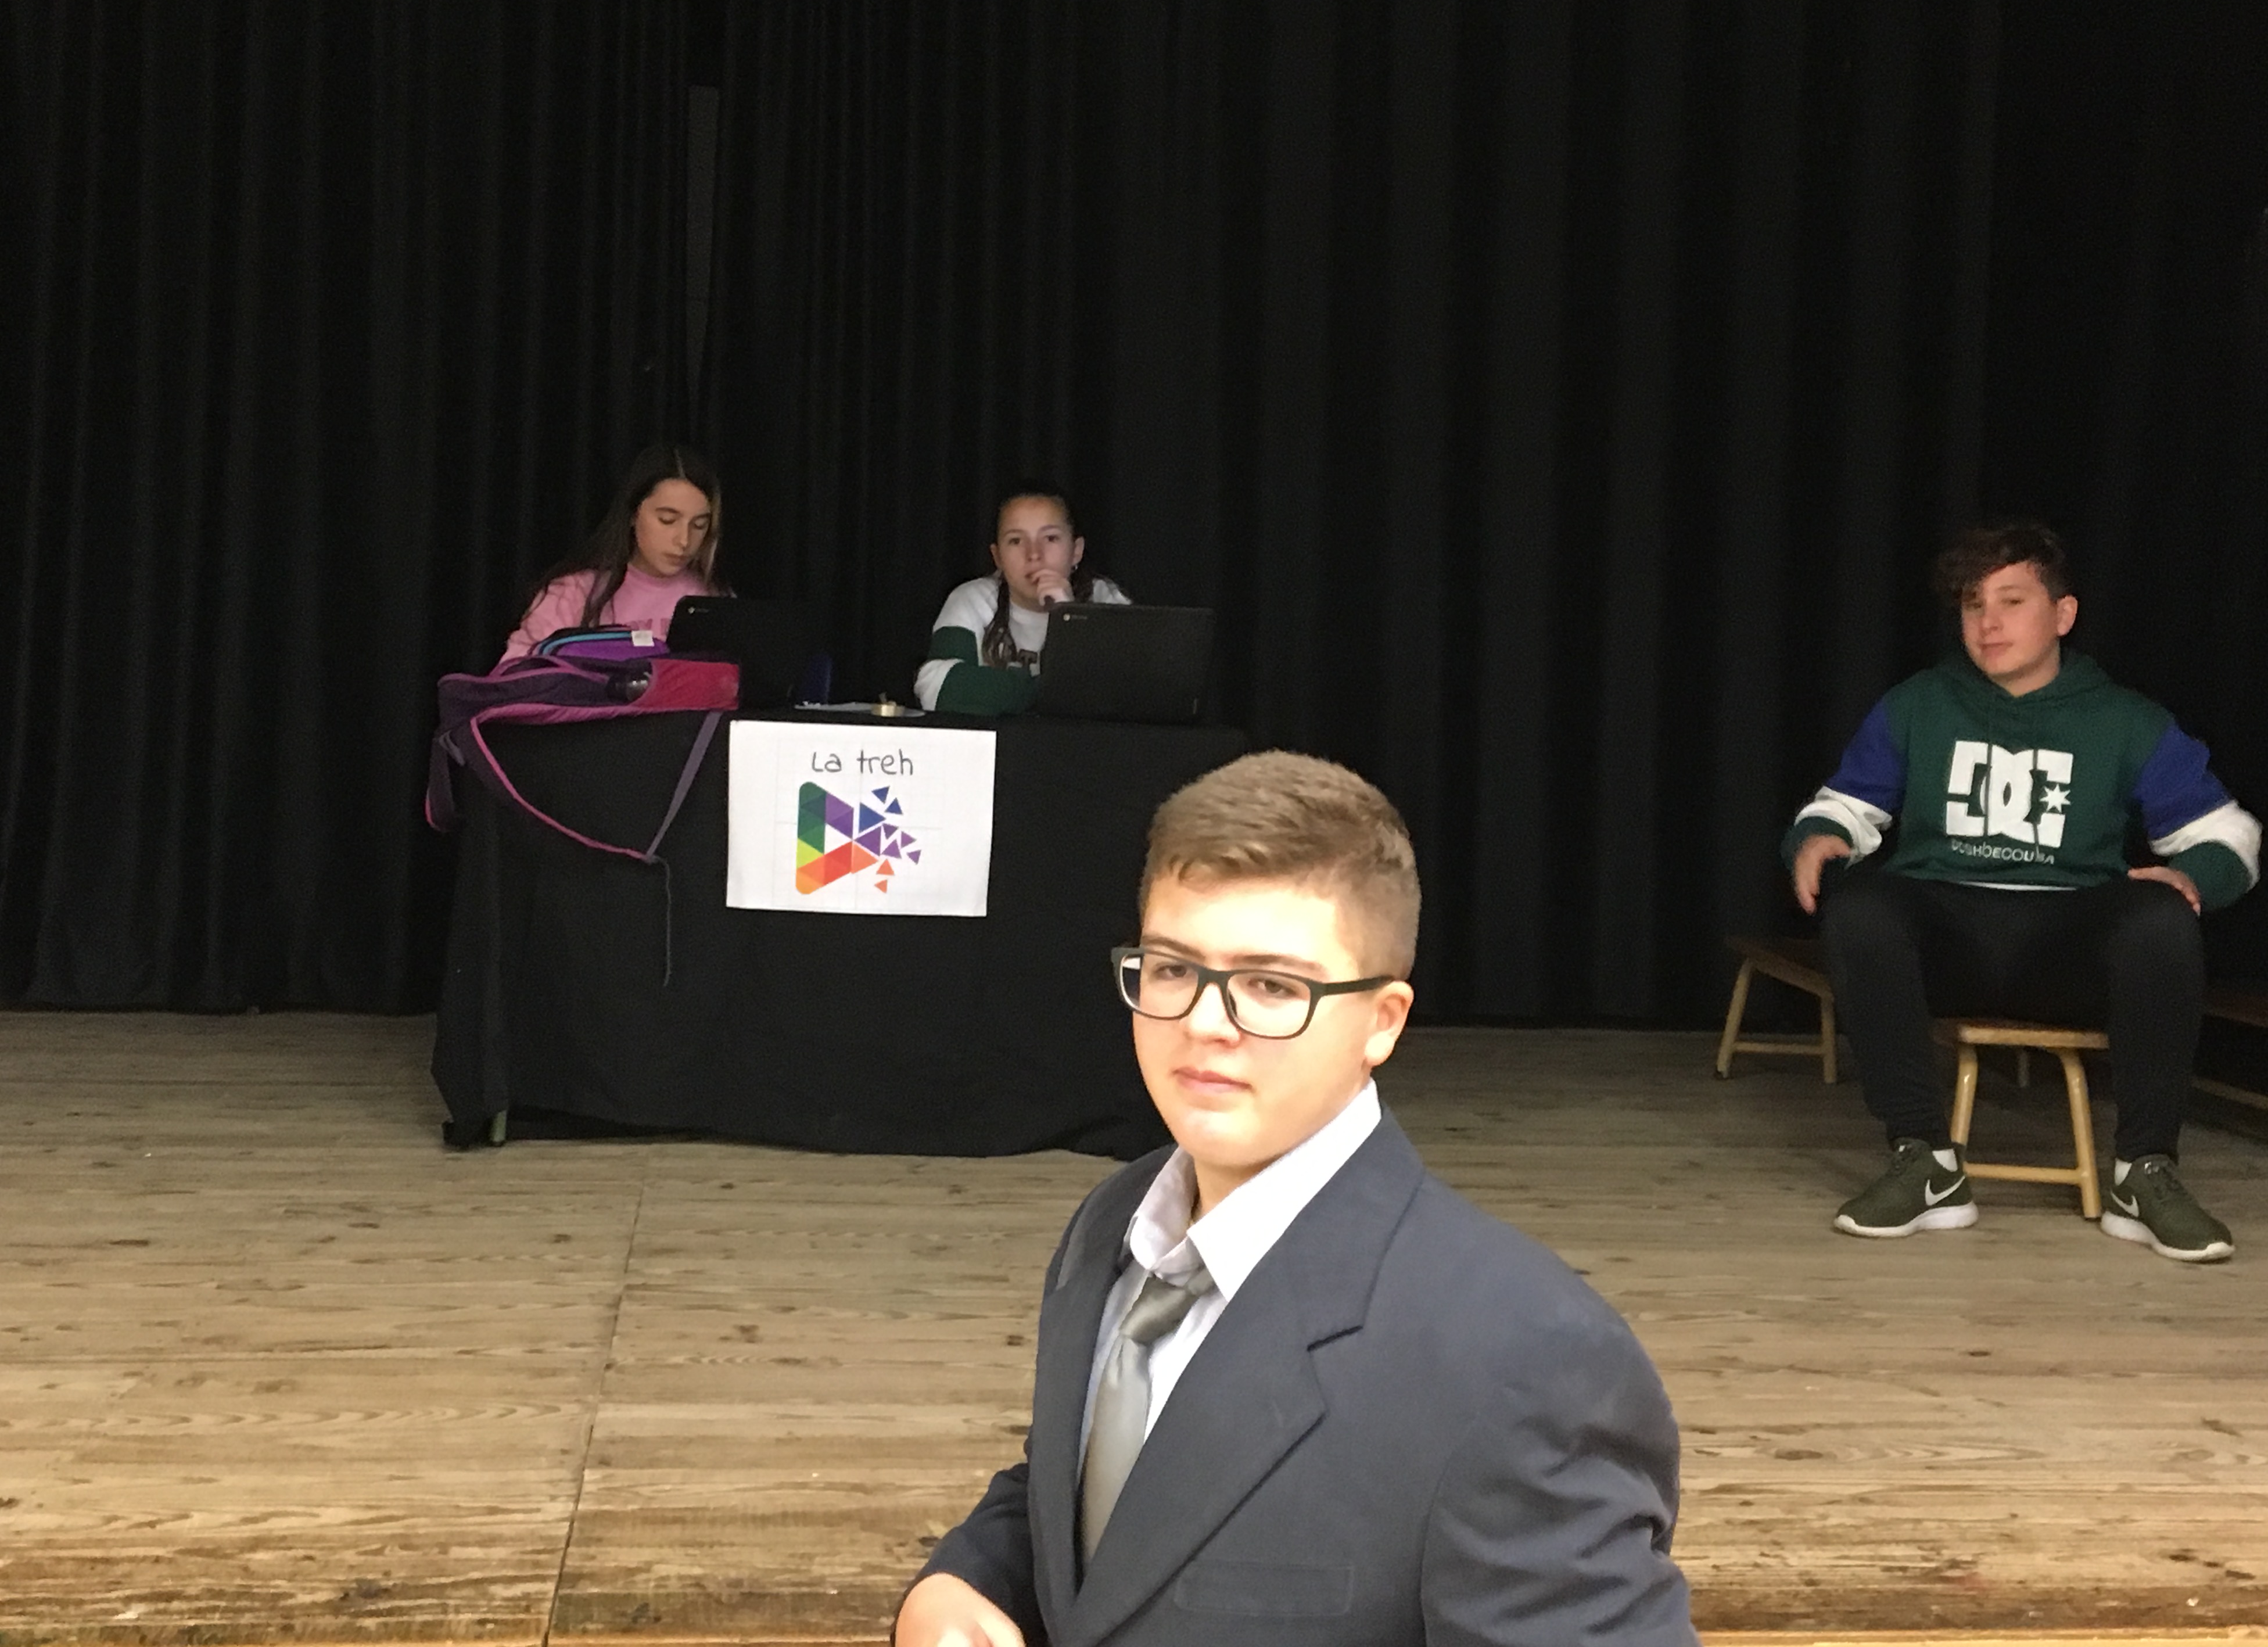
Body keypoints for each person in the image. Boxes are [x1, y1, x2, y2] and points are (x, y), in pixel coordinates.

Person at [895, 752, 1696, 1647]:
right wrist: (968, 1577)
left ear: (1383, 1021)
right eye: (1172, 969)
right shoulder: (1111, 1225)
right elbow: (1091, 1499)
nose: (1204, 1022)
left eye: (1272, 986)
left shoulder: (1526, 1362)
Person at [1786, 522, 2259, 1261]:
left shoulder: (2126, 720)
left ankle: (2144, 1173)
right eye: (1973, 605)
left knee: (2161, 916)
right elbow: (1846, 806)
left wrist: (2196, 876)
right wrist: (1819, 835)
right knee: (1862, 906)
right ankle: (1926, 1162)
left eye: (2012, 601)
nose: (1989, 623)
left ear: (2063, 615)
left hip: (2066, 948)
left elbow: (2230, 834)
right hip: (1946, 936)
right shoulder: (1920, 703)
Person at [497, 443, 729, 667]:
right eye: (667, 520)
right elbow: (514, 675)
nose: (684, 540)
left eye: (699, 525)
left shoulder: (712, 599)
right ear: (633, 515)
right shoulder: (574, 594)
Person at [913, 492, 1129, 714]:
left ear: (1076, 551)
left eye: (1051, 538)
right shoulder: (972, 599)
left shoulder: (1105, 599)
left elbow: (1127, 690)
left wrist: (1069, 616)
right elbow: (937, 685)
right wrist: (1055, 692)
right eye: (1016, 541)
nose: (1034, 555)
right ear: (998, 557)